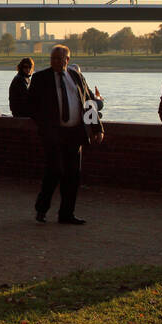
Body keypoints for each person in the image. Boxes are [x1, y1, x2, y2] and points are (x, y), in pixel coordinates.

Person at [27, 45, 102, 225]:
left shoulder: (76, 77)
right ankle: (42, 209)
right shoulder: (40, 78)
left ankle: (66, 214)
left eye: (59, 59)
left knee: (73, 174)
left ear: (67, 60)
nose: (55, 62)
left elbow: (89, 103)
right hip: (53, 134)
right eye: (53, 58)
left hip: (75, 133)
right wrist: (45, 125)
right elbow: (31, 106)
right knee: (54, 171)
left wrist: (97, 128)